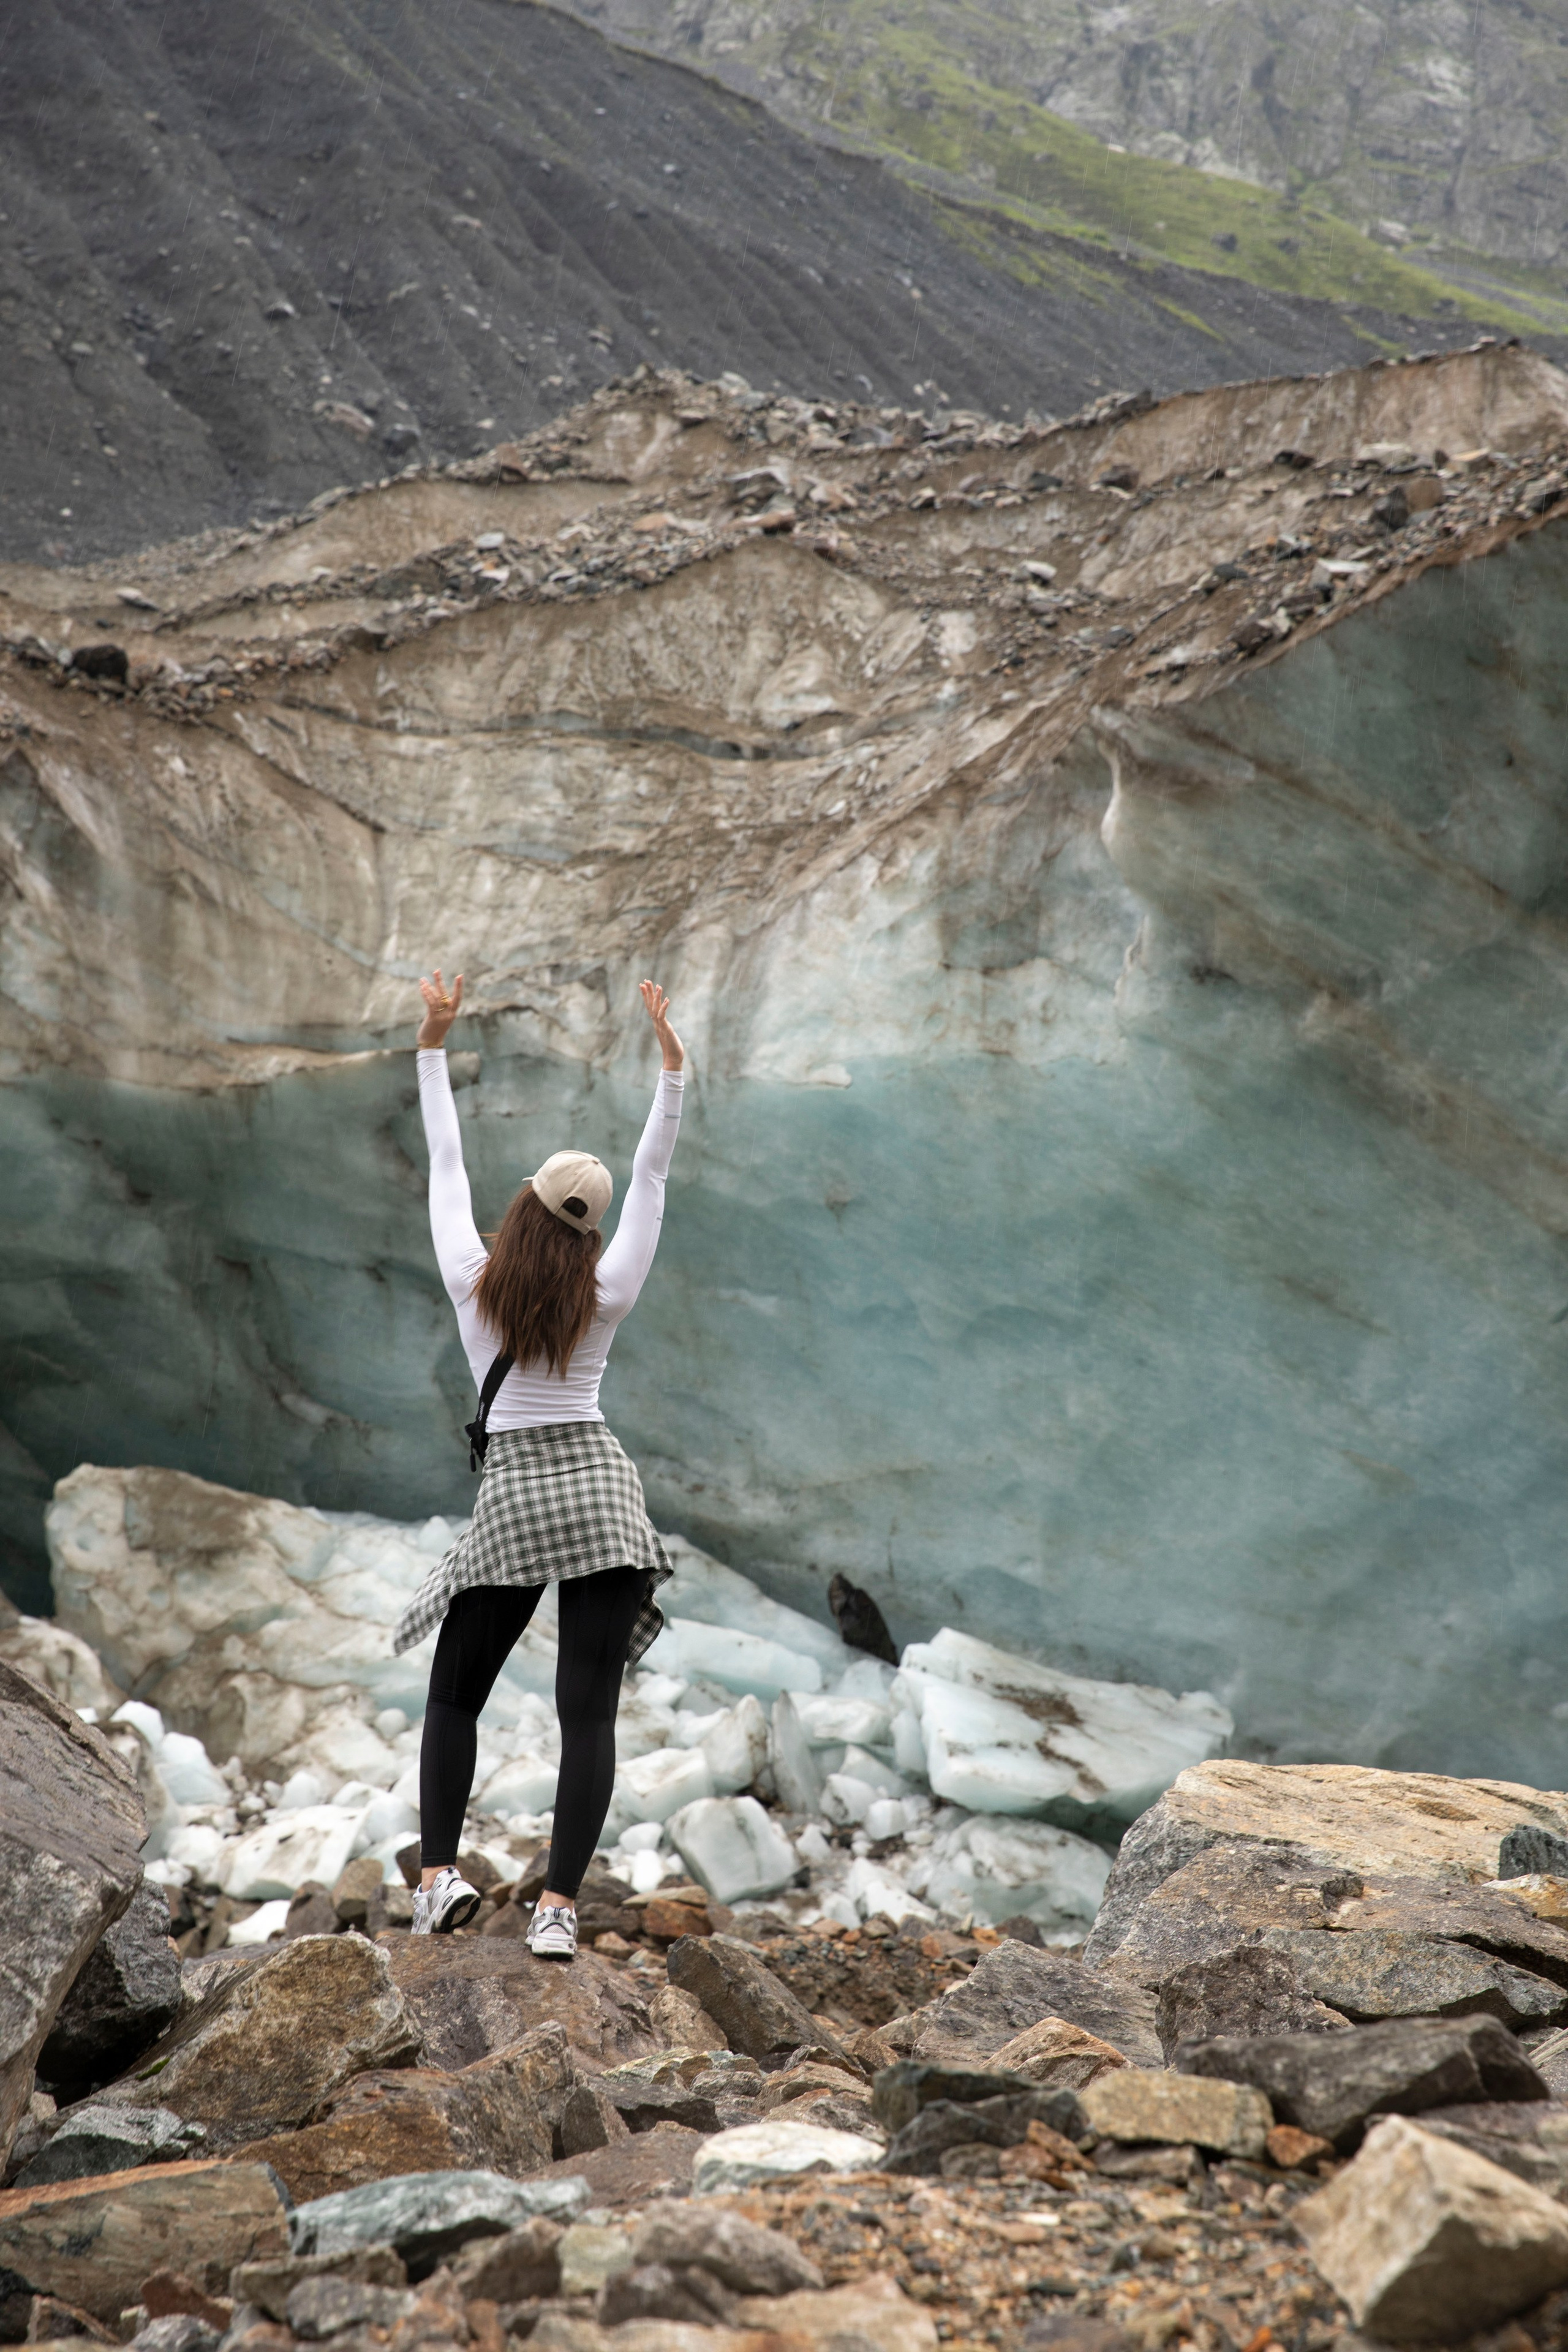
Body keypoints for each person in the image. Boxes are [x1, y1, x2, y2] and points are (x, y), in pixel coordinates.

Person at [392, 967, 685, 1958]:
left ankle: (437, 1880)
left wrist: (434, 1043)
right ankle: (558, 1912)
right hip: (603, 1491)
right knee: (587, 1715)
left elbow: (443, 1165)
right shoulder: (608, 1291)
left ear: (521, 1208)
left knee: (453, 1693)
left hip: (518, 1491)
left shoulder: (475, 1282)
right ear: (589, 1231)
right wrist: (671, 1073)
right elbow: (650, 1177)